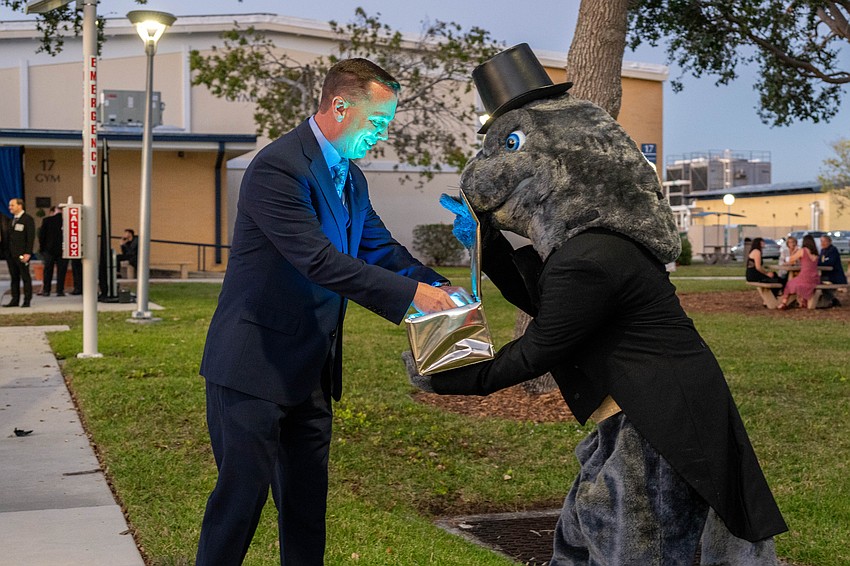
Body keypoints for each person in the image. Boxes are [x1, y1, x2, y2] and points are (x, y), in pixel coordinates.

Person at [407, 43, 786, 566]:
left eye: (509, 144)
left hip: (662, 425)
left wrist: (444, 378)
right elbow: (547, 302)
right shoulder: (589, 250)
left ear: (572, 154)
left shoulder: (593, 257)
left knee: (633, 540)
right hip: (635, 415)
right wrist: (487, 243)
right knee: (586, 529)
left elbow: (538, 349)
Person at [195, 58, 457, 566]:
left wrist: (438, 287)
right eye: (377, 122)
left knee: (306, 508)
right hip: (253, 365)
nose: (380, 135)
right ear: (340, 106)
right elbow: (319, 261)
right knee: (239, 506)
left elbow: (380, 250)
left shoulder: (352, 179)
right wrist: (410, 300)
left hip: (311, 371)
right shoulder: (278, 167)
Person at [3, 198, 36, 307]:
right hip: (11, 254)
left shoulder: (27, 219)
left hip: (22, 254)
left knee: (25, 277)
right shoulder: (12, 220)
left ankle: (27, 300)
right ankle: (15, 299)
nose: (10, 208)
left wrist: (28, 253)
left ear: (20, 206)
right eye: (9, 205)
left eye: (12, 205)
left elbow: (30, 237)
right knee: (14, 277)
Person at [777, 234, 821, 309]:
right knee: (801, 284)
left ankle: (784, 303)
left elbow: (790, 259)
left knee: (790, 283)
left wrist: (793, 252)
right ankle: (803, 301)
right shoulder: (816, 253)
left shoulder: (803, 250)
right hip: (815, 278)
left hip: (805, 276)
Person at [38, 206, 68, 297]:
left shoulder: (47, 220)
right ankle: (60, 290)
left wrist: (42, 248)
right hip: (63, 249)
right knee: (62, 271)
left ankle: (46, 290)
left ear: (54, 211)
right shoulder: (66, 221)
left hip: (49, 249)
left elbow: (42, 236)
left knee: (48, 270)